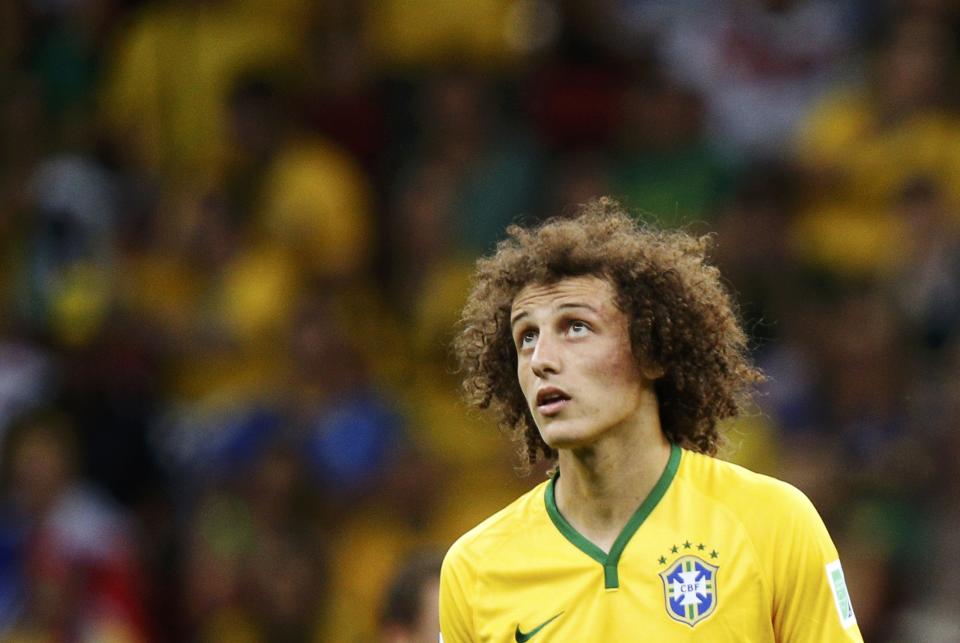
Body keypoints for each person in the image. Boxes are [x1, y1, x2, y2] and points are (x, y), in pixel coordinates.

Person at [439, 199, 863, 641]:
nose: (541, 359)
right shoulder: (474, 569)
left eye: (576, 327)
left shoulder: (773, 522)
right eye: (527, 337)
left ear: (653, 351)